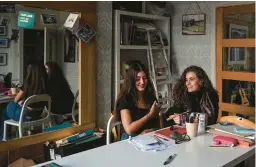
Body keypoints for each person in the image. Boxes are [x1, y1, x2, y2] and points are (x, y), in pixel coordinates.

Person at [113, 60, 160, 140]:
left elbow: (158, 124)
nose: (142, 82)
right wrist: (149, 115)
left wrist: (153, 130)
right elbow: (129, 129)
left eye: (144, 78)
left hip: (151, 138)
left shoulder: (150, 97)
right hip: (131, 139)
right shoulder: (125, 100)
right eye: (137, 79)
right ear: (131, 81)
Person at [0, 63, 48, 140]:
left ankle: (4, 136)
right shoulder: (45, 85)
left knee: (3, 111)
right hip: (37, 114)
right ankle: (7, 134)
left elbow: (15, 100)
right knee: (11, 108)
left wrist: (19, 101)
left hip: (25, 115)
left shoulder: (27, 84)